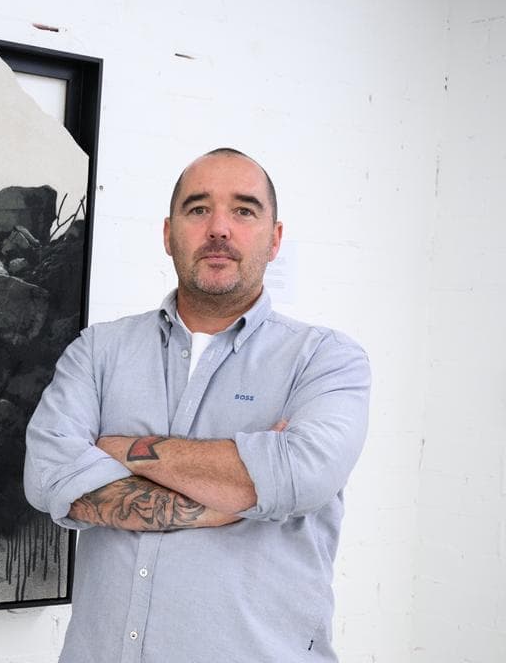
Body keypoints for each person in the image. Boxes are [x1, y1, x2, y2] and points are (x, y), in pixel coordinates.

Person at [24, 148, 370, 662]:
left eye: (244, 210)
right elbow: (47, 476)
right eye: (198, 209)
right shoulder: (99, 350)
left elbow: (300, 476)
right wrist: (238, 494)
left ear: (274, 239)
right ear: (169, 234)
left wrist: (120, 449)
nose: (219, 229)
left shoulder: (326, 360)